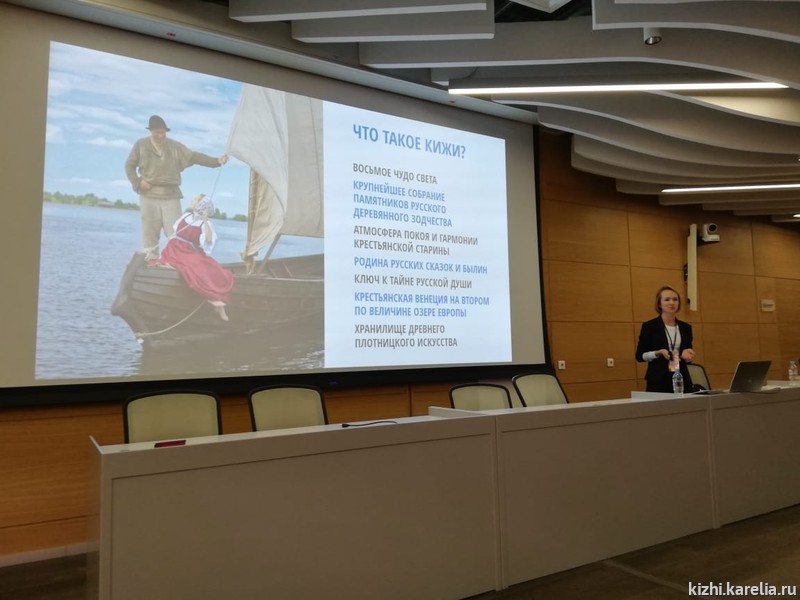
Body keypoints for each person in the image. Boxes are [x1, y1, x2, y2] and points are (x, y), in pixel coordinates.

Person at [125, 115, 228, 260]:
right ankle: (150, 261)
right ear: (151, 131)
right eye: (157, 132)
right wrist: (137, 182)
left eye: (163, 132)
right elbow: (129, 166)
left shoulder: (175, 147)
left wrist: (216, 161)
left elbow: (194, 157)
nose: (160, 135)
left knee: (175, 233)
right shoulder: (140, 145)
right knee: (149, 233)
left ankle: (175, 260)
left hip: (171, 195)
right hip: (148, 195)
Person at [152, 194, 234, 321]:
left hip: (189, 251)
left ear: (202, 205)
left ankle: (216, 301)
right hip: (174, 248)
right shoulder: (186, 216)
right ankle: (214, 300)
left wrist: (205, 221)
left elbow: (208, 240)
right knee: (191, 266)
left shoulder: (205, 223)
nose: (192, 200)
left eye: (195, 199)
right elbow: (175, 232)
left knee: (205, 267)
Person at [635, 285, 696, 393]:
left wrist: (688, 357)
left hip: (681, 377)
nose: (672, 303)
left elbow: (687, 355)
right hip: (658, 380)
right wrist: (658, 353)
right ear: (659, 303)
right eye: (667, 299)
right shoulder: (650, 326)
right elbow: (640, 356)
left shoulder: (686, 327)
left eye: (675, 299)